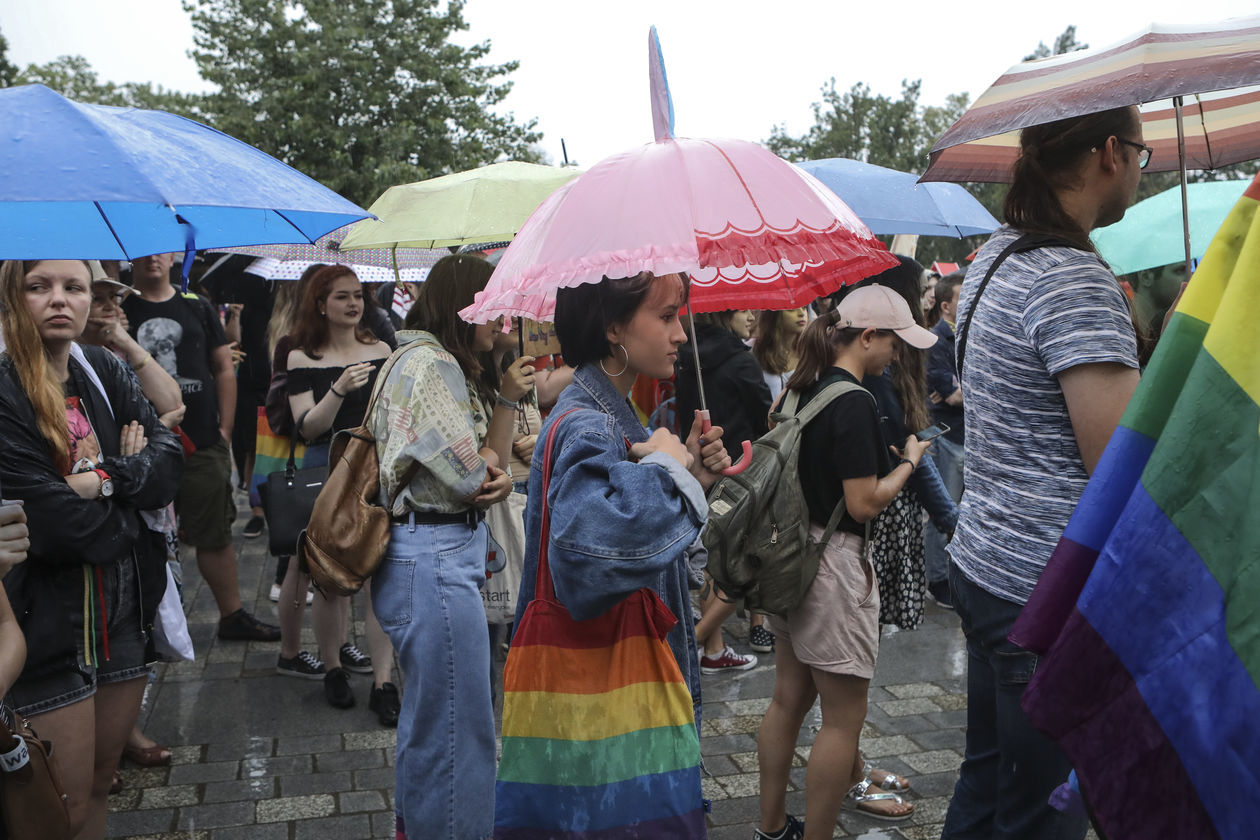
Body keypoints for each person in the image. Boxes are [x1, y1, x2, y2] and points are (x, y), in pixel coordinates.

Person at [941, 106, 1145, 840]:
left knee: (991, 783)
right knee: (1042, 819)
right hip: (1045, 597)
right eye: (1144, 157)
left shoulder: (997, 255)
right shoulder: (1072, 278)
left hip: (989, 564)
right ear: (1112, 155)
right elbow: (1118, 467)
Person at [506, 271, 730, 837]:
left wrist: (693, 479)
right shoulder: (590, 422)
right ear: (613, 328)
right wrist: (664, 468)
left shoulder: (614, 414)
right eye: (666, 316)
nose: (680, 333)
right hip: (608, 710)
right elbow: (588, 553)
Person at [0, 259, 183, 837]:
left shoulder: (102, 367)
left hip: (122, 606)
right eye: (39, 287)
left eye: (73, 287)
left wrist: (104, 480)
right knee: (58, 809)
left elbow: (167, 463)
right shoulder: (6, 390)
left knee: (101, 782)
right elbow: (53, 525)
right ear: (12, 297)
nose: (60, 299)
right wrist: (126, 489)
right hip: (45, 623)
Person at [755, 286, 935, 840]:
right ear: (868, 336)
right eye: (895, 343)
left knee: (787, 699)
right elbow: (863, 501)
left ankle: (770, 827)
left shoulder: (800, 387)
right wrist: (908, 462)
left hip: (786, 555)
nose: (897, 356)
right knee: (843, 719)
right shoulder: (855, 402)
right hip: (831, 564)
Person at [367, 254, 527, 837]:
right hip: (434, 557)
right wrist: (499, 453)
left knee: (432, 722)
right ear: (463, 305)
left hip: (426, 554)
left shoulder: (417, 359)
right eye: (490, 307)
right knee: (460, 732)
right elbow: (472, 478)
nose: (501, 321)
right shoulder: (432, 365)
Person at [121, 253, 280, 643]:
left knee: (213, 529)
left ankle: (232, 614)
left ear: (174, 255)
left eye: (162, 247)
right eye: (144, 247)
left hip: (201, 441)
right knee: (138, 536)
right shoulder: (116, 310)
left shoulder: (197, 306)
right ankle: (143, 627)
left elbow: (224, 366)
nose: (153, 256)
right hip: (136, 443)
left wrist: (224, 431)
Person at [284, 266, 397, 722]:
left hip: (372, 472)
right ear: (320, 304)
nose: (353, 305)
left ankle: (384, 681)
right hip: (325, 471)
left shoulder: (383, 349)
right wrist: (337, 389)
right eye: (342, 297)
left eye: (358, 297)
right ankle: (333, 668)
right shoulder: (300, 358)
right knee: (329, 578)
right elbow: (307, 426)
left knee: (379, 575)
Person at [675, 309, 774, 663]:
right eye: (742, 311)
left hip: (701, 467)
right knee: (744, 565)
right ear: (723, 314)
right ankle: (698, 643)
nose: (751, 317)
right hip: (741, 473)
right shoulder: (739, 361)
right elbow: (766, 419)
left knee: (710, 559)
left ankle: (714, 647)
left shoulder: (686, 359)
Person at [924, 269, 966, 608]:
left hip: (970, 436)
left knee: (966, 512)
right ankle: (937, 579)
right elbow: (951, 395)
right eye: (961, 298)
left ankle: (957, 575)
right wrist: (958, 390)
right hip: (949, 436)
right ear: (945, 306)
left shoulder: (973, 333)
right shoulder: (937, 340)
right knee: (945, 510)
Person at [753, 307, 808, 404]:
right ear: (775, 315)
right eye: (792, 309)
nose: (801, 313)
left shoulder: (812, 351)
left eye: (804, 308)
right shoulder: (755, 351)